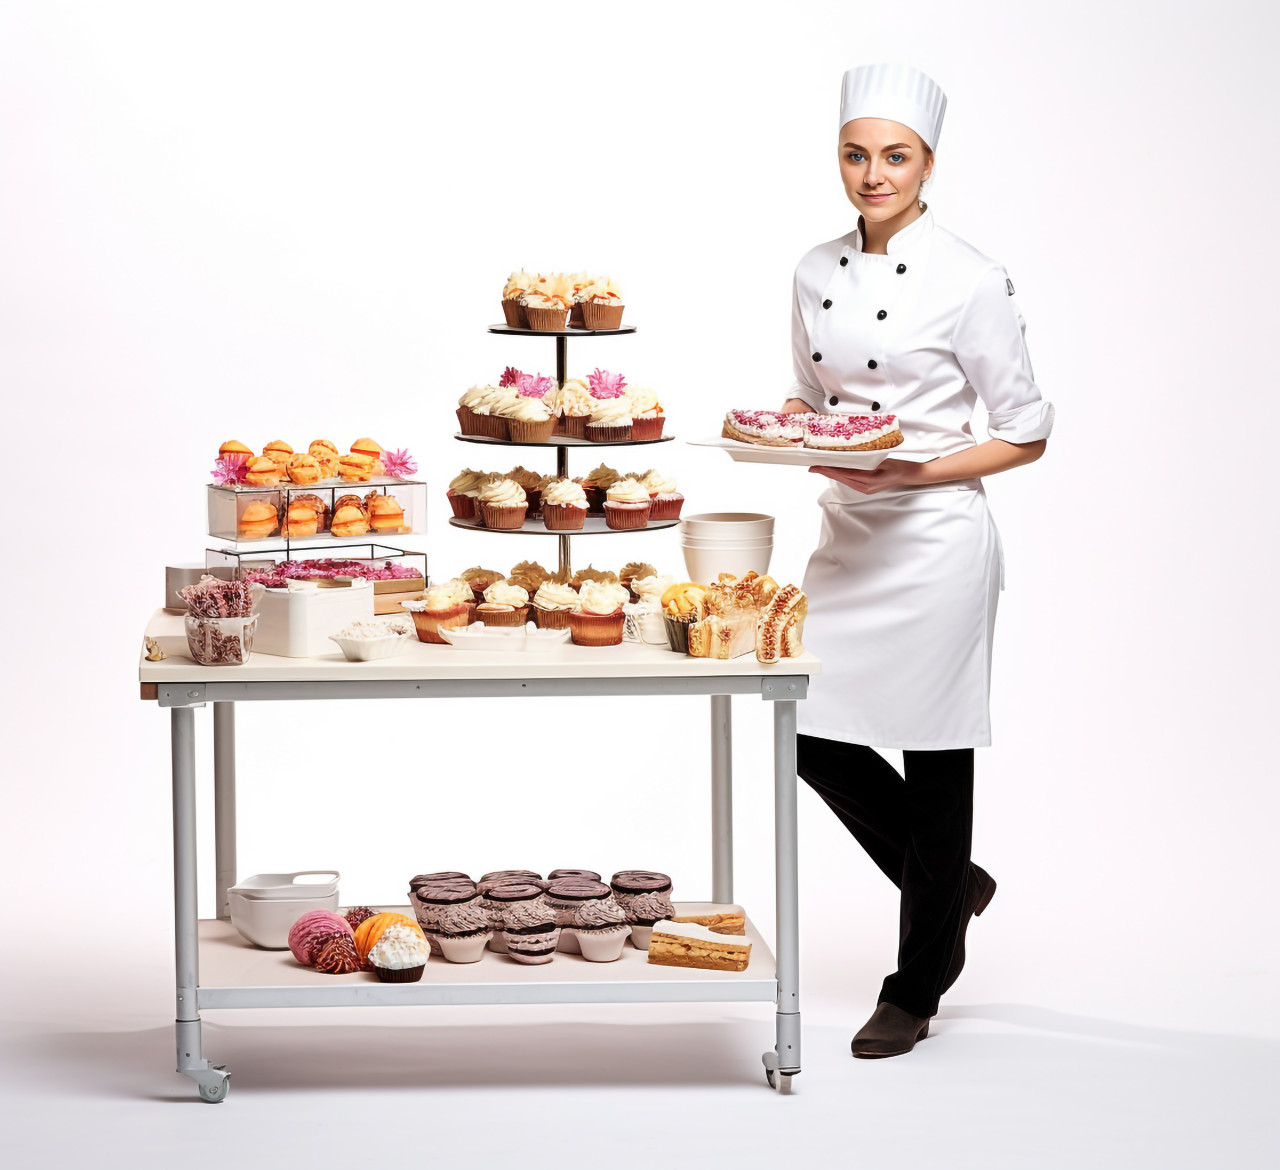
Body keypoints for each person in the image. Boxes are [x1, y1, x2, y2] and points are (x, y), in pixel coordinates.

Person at [784, 63, 1055, 1058]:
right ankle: (949, 886)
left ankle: (916, 982)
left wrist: (910, 475)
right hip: (849, 532)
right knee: (796, 721)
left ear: (926, 163)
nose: (871, 174)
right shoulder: (812, 270)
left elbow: (1025, 433)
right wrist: (806, 446)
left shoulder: (970, 278)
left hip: (935, 534)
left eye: (892, 156)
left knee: (933, 755)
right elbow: (809, 405)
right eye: (855, 155)